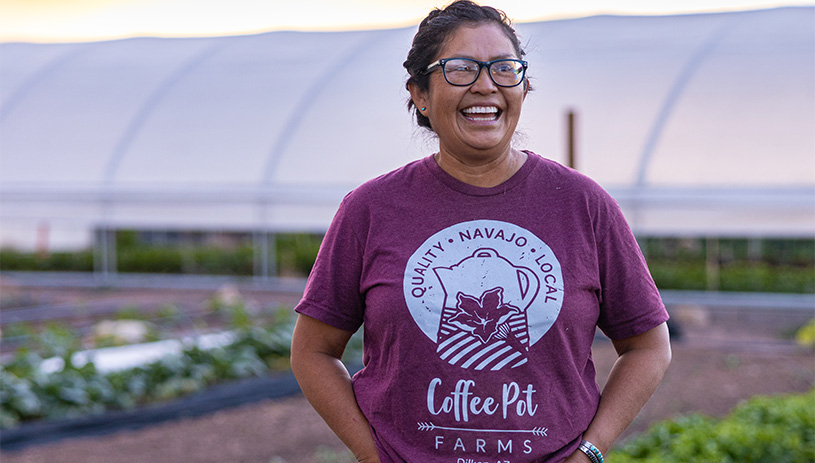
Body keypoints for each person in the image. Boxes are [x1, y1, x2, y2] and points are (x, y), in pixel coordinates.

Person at [290, 1, 672, 461]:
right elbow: (312, 352)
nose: (486, 85)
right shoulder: (371, 209)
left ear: (524, 88)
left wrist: (589, 452)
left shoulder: (582, 205)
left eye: (504, 69)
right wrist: (373, 453)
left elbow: (648, 346)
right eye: (461, 69)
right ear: (420, 94)